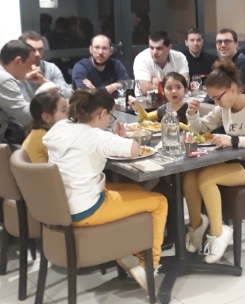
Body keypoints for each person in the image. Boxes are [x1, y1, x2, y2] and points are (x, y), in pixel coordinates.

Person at [43, 88, 168, 291]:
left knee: (136, 190)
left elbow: (90, 145)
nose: (109, 119)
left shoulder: (61, 127)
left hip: (61, 205)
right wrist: (118, 138)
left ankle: (130, 251)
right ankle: (148, 266)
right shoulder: (95, 136)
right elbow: (135, 148)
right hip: (86, 209)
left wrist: (111, 137)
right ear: (102, 113)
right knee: (159, 201)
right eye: (110, 115)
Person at [185, 59, 245, 263]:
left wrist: (234, 140)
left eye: (217, 98)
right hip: (236, 159)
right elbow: (201, 128)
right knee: (190, 175)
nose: (215, 102)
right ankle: (197, 225)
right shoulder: (224, 108)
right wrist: (192, 114)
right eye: (213, 98)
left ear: (232, 89)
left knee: (206, 179)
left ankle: (219, 232)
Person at [19, 32, 73, 100]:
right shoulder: (13, 70)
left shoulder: (51, 68)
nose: (38, 54)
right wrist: (22, 79)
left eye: (40, 49)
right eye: (32, 50)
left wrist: (46, 82)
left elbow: (69, 94)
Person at [134, 31, 190, 96]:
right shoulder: (141, 58)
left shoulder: (180, 57)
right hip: (147, 100)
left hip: (174, 99)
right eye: (151, 48)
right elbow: (145, 89)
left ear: (169, 47)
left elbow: (184, 85)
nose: (154, 52)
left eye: (159, 48)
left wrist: (158, 82)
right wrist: (173, 86)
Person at [0, 40, 34, 145]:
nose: (31, 68)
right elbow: (26, 118)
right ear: (18, 61)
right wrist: (43, 90)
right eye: (30, 63)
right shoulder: (4, 79)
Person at [22, 92, 69, 163]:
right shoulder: (47, 139)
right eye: (64, 111)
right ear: (46, 117)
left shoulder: (37, 133)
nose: (69, 113)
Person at [214, 29, 245, 99]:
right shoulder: (221, 63)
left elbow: (233, 91)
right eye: (219, 42)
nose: (223, 45)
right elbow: (214, 87)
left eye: (227, 41)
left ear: (236, 44)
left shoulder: (243, 61)